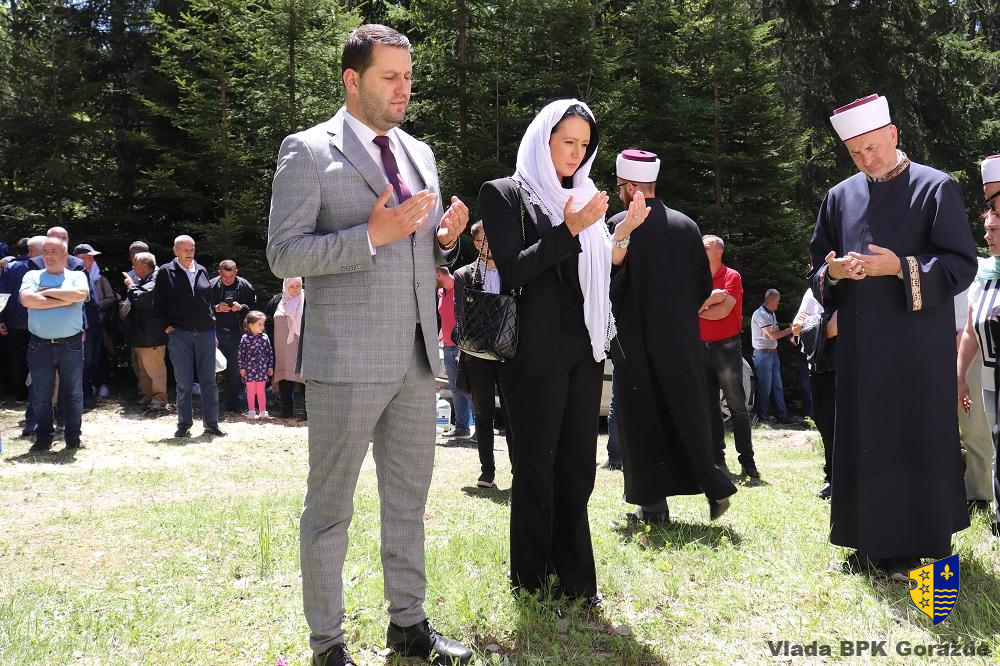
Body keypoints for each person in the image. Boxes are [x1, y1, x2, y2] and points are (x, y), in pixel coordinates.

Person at [266, 24, 472, 666]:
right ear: (352, 80)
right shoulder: (307, 151)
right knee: (330, 509)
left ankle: (408, 625)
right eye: (390, 77)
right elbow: (283, 254)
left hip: (417, 360)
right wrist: (369, 236)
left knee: (408, 503)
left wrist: (443, 240)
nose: (403, 88)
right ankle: (327, 644)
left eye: (408, 76)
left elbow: (417, 248)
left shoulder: (419, 152)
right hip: (346, 361)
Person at [809, 93, 976, 581]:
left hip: (916, 349)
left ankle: (912, 547)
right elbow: (817, 267)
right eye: (856, 152)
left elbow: (961, 264)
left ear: (893, 134)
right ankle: (865, 542)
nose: (867, 159)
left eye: (873, 147)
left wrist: (899, 267)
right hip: (860, 352)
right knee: (864, 440)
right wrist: (834, 272)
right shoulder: (839, 196)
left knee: (911, 439)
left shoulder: (935, 187)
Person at [480, 98, 611, 604]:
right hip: (534, 354)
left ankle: (576, 581)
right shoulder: (504, 193)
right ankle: (532, 581)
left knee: (578, 469)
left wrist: (615, 235)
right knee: (536, 468)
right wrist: (569, 230)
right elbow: (514, 269)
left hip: (585, 350)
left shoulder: (585, 194)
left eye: (584, 145)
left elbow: (599, 276)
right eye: (567, 142)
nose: (577, 154)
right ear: (543, 140)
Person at [608, 149, 736, 524]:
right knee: (687, 413)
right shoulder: (687, 226)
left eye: (619, 186)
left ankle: (653, 507)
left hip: (634, 339)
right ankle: (715, 486)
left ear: (630, 186)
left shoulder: (618, 225)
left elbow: (607, 283)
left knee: (641, 420)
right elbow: (702, 287)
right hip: (682, 339)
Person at [957, 154, 1000, 538]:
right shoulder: (983, 273)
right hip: (989, 377)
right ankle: (990, 506)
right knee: (987, 438)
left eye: (996, 228)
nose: (988, 235)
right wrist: (960, 378)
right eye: (988, 227)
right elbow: (971, 329)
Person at [453, 221, 514, 488]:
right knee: (483, 413)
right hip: (477, 355)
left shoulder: (512, 271)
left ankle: (518, 469)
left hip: (508, 353)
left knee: (512, 414)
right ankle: (487, 470)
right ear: (475, 244)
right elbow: (461, 316)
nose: (487, 246)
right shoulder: (464, 275)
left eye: (491, 239)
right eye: (482, 241)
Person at [19, 237, 90, 452]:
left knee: (73, 393)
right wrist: (65, 300)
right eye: (45, 251)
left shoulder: (77, 276)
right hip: (39, 345)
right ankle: (44, 437)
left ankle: (73, 437)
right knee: (41, 394)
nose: (48, 256)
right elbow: (27, 300)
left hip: (71, 344)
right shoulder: (32, 276)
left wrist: (45, 292)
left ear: (65, 255)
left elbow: (81, 294)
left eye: (54, 251)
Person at [153, 235, 226, 439]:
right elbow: (158, 304)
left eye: (192, 249)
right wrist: (168, 328)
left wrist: (213, 330)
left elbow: (208, 303)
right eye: (185, 249)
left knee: (209, 381)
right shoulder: (166, 271)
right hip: (180, 334)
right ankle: (184, 425)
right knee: (184, 383)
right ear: (175, 251)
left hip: (206, 332)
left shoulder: (201, 270)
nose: (189, 253)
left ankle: (211, 424)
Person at [699, 235, 758, 478]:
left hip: (726, 347)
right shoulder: (697, 279)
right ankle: (717, 461)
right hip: (700, 348)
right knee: (710, 407)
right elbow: (688, 309)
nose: (700, 249)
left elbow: (722, 312)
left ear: (719, 251)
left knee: (737, 406)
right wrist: (710, 300)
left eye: (705, 247)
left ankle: (748, 462)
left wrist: (699, 308)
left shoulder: (731, 276)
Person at [792, 287, 838, 499]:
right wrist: (824, 321)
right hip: (819, 367)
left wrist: (813, 322)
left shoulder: (851, 289)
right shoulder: (812, 292)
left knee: (845, 424)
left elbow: (841, 325)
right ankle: (831, 478)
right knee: (825, 423)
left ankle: (843, 477)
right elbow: (796, 328)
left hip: (844, 366)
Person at [211, 260, 257, 413]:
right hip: (215, 332)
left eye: (231, 276)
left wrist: (242, 307)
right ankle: (212, 405)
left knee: (236, 370)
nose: (228, 280)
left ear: (236, 272)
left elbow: (255, 310)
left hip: (237, 333)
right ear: (219, 273)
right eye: (224, 276)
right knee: (212, 369)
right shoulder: (211, 286)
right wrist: (216, 308)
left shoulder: (245, 286)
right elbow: (201, 308)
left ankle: (234, 406)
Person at [1, 236, 44, 401]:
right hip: (39, 319)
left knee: (17, 358)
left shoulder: (10, 267)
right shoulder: (41, 265)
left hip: (15, 320)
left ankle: (20, 394)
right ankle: (37, 393)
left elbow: (2, 293)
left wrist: (1, 318)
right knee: (39, 357)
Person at [124, 251, 168, 410]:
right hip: (142, 333)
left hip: (152, 334)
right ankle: (147, 395)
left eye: (135, 264)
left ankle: (159, 399)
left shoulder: (157, 278)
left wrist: (131, 285)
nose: (132, 267)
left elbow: (143, 299)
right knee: (143, 368)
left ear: (144, 266)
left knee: (155, 368)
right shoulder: (144, 279)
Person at [73, 244, 117, 405]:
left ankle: (90, 390)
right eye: (88, 258)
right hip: (82, 326)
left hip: (96, 324)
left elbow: (105, 299)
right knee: (84, 361)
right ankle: (84, 395)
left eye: (92, 258)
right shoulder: (74, 276)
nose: (92, 261)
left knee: (94, 359)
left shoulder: (95, 276)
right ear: (78, 258)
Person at [437, 265, 474, 438]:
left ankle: (481, 429)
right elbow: (445, 317)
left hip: (461, 346)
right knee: (455, 388)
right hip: (447, 346)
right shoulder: (440, 293)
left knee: (469, 387)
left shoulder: (460, 288)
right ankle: (462, 428)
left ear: (438, 275)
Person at [264, 277, 307, 420]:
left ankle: (308, 411)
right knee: (284, 377)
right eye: (291, 286)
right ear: (285, 286)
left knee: (303, 378)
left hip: (301, 348)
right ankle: (285, 410)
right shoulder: (277, 301)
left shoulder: (306, 300)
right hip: (281, 349)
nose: (295, 289)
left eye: (297, 286)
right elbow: (267, 321)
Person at [750, 289, 794, 423]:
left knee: (778, 386)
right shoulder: (761, 314)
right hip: (762, 355)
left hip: (773, 354)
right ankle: (762, 417)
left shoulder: (771, 313)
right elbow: (772, 335)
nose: (778, 304)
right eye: (777, 301)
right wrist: (790, 330)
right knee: (765, 387)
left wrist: (784, 332)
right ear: (771, 300)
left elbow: (776, 331)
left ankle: (783, 416)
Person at [239, 310, 273, 418]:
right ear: (250, 325)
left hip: (262, 370)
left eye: (263, 324)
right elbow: (241, 354)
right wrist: (242, 367)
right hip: (249, 370)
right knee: (250, 391)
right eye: (259, 324)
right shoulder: (245, 338)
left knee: (261, 391)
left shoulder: (265, 337)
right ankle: (251, 411)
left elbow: (269, 353)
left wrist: (270, 366)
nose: (262, 327)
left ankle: (263, 411)